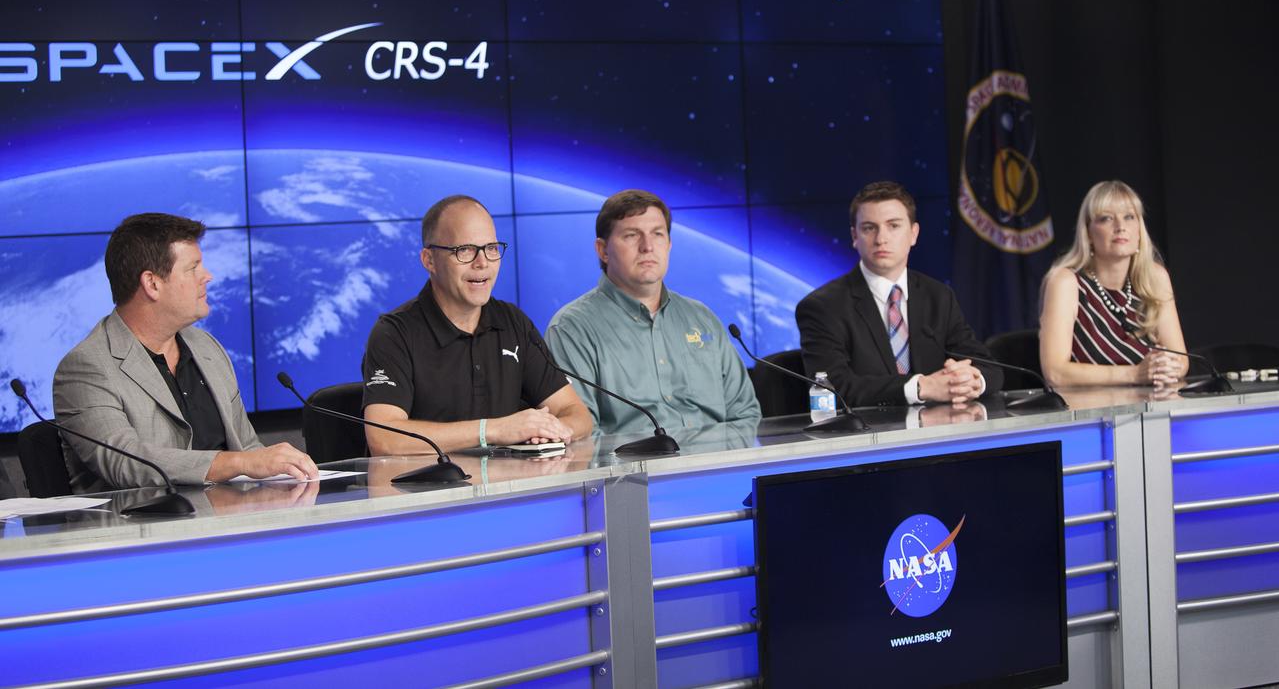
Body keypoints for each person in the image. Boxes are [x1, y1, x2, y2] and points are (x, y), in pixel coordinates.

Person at [54, 213, 317, 491]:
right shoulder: (87, 368)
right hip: (145, 526)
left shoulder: (207, 348)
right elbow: (127, 463)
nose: (207, 276)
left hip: (234, 521)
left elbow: (248, 448)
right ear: (152, 283)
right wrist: (240, 463)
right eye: (193, 268)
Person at [361, 196, 592, 455]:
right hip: (432, 492)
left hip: (513, 489)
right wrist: (491, 431)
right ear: (429, 260)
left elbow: (578, 415)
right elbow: (384, 439)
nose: (482, 262)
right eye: (465, 250)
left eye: (491, 248)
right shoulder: (394, 333)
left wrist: (549, 430)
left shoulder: (512, 322)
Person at [545, 189, 761, 434]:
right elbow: (583, 434)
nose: (647, 247)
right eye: (631, 235)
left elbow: (745, 414)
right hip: (633, 471)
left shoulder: (702, 318)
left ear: (668, 245)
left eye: (657, 234)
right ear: (603, 250)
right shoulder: (572, 329)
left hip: (717, 468)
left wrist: (721, 465)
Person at [796, 181, 1002, 408]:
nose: (881, 239)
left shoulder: (938, 296)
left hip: (940, 433)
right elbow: (832, 389)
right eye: (869, 228)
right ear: (855, 236)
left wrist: (971, 380)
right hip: (866, 437)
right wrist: (920, 387)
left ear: (913, 234)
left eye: (893, 226)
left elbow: (989, 368)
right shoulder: (823, 307)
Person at [1039, 180, 1187, 388]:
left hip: (1153, 410)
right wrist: (1135, 374)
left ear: (1139, 230)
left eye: (1129, 217)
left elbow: (1181, 359)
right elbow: (1055, 373)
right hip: (1088, 413)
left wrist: (1167, 368)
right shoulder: (1066, 282)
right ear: (1089, 233)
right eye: (1106, 218)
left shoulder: (1155, 277)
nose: (1120, 227)